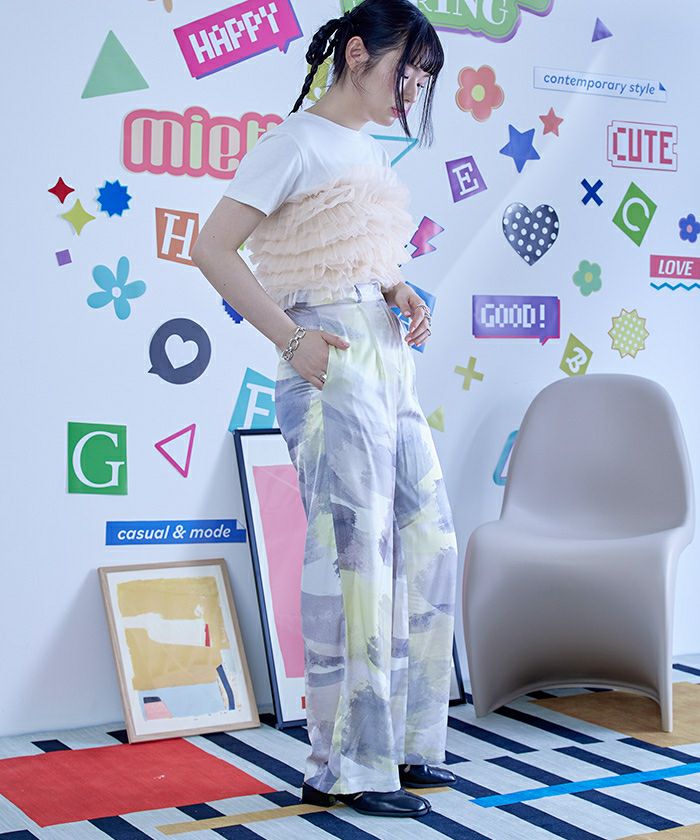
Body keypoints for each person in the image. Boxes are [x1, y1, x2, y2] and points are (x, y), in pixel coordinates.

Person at [192, 0, 459, 819]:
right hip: (328, 359)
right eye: (408, 70)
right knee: (355, 558)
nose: (414, 90)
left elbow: (353, 249)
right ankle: (346, 766)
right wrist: (290, 338)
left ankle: (406, 745)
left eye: (424, 78)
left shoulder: (364, 148)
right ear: (357, 54)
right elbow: (211, 247)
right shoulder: (294, 142)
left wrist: (398, 288)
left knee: (428, 541)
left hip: (386, 358)